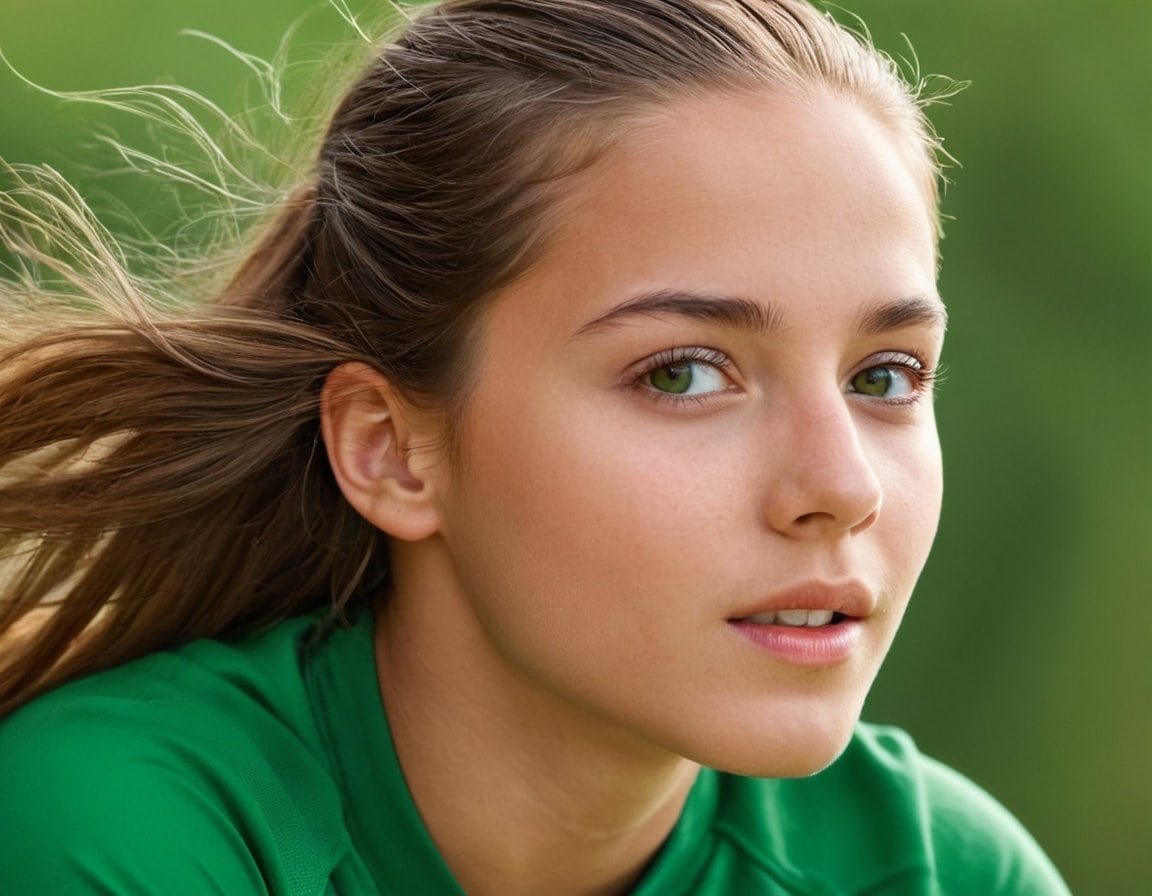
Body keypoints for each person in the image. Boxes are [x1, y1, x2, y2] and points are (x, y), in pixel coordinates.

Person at [0, 1, 1070, 893]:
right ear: (391, 450)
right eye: (684, 373)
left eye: (885, 376)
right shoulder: (119, 829)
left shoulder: (947, 870)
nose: (841, 486)